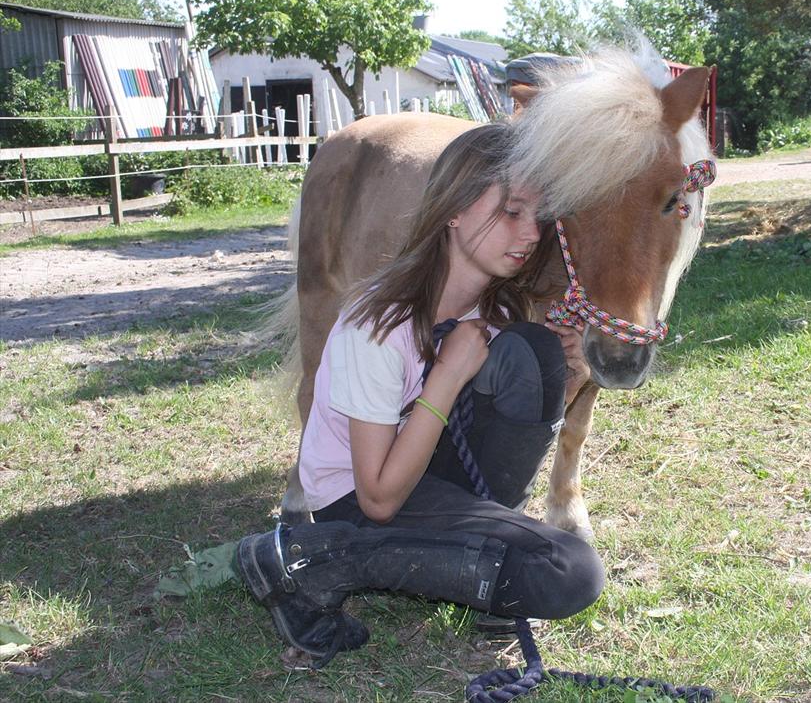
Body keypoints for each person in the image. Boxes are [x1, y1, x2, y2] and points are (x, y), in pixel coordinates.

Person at [235, 122, 605, 668]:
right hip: (359, 501)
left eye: (539, 216)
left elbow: (518, 408)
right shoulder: (378, 326)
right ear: (453, 210)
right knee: (573, 571)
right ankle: (316, 560)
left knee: (536, 354)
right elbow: (378, 497)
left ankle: (479, 556)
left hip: (433, 473)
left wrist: (569, 360)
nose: (530, 234)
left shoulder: (498, 307)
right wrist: (447, 376)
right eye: (510, 211)